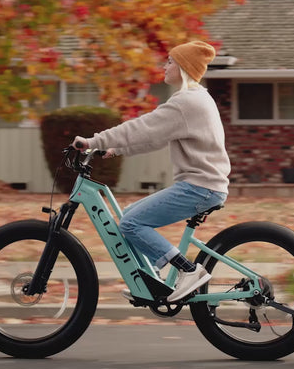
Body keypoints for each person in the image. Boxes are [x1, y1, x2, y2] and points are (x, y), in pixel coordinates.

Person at [72, 41, 230, 303]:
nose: (164, 66)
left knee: (131, 223)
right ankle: (150, 281)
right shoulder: (197, 98)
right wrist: (115, 149)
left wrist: (94, 141)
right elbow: (155, 138)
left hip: (199, 187)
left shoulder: (186, 102)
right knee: (130, 215)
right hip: (202, 185)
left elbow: (141, 128)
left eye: (170, 61)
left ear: (184, 67)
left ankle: (188, 271)